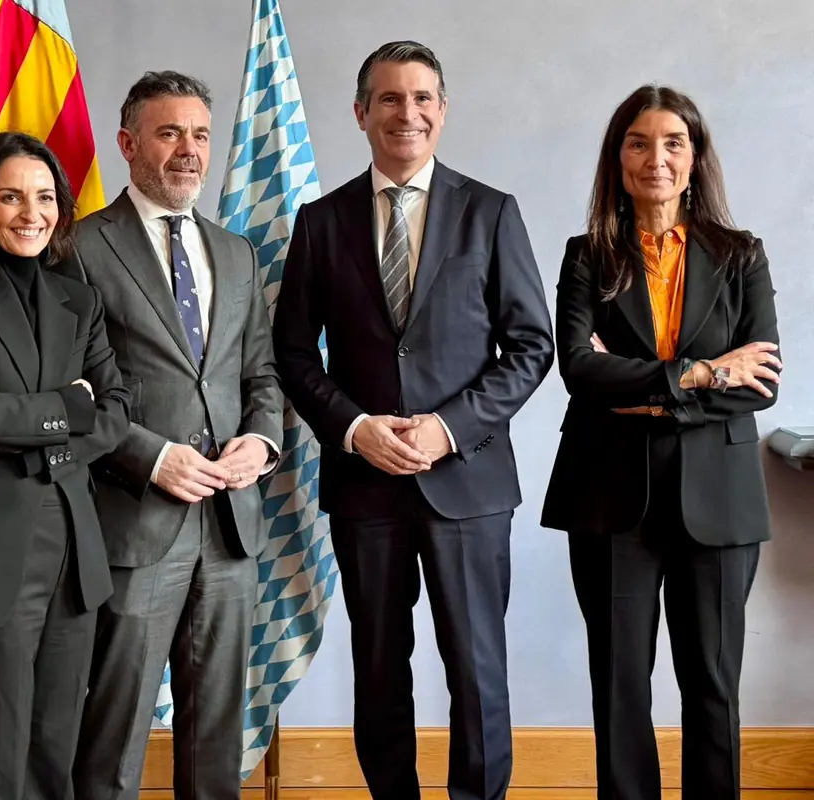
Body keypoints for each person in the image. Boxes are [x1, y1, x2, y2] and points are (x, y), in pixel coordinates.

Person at [272, 41, 555, 800]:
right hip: (365, 487)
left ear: (443, 110)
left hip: (468, 481)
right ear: (362, 113)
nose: (409, 112)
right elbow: (293, 355)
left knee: (477, 668)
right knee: (378, 670)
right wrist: (358, 427)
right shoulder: (320, 221)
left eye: (423, 97)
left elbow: (532, 346)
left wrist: (449, 427)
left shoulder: (491, 212)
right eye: (390, 99)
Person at [541, 85, 780, 800]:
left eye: (673, 142)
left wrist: (644, 392)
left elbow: (761, 381)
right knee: (619, 688)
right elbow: (580, 370)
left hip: (721, 501)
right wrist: (702, 373)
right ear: (618, 159)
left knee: (713, 687)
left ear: (695, 155)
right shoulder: (587, 257)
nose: (657, 158)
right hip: (611, 495)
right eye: (639, 143)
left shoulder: (741, 256)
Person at [62, 71, 284, 800]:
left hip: (228, 528)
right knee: (112, 731)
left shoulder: (237, 253)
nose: (187, 150)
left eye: (198, 135)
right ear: (127, 144)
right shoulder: (80, 248)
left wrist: (262, 440)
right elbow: (67, 392)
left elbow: (261, 375)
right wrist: (148, 457)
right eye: (168, 133)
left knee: (217, 733)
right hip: (133, 524)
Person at [0, 131, 131, 800]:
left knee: (53, 756)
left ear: (61, 210)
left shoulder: (81, 301)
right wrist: (71, 406)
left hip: (72, 555)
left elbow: (116, 414)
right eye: (10, 197)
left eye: (43, 198)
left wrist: (29, 418)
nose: (29, 213)